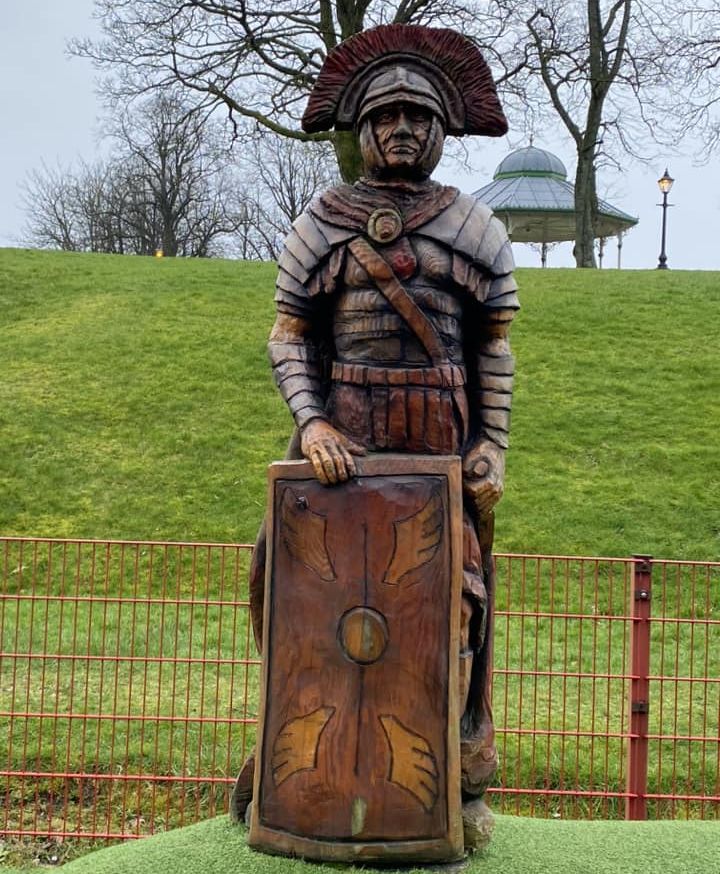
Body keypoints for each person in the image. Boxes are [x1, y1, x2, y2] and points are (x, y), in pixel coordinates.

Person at [239, 24, 518, 843]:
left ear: (442, 130)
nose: (403, 129)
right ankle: (287, 772)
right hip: (343, 445)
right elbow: (289, 333)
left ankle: (454, 783)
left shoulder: (473, 227)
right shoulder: (321, 221)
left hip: (440, 441)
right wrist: (314, 419)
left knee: (454, 606)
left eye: (419, 117)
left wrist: (491, 443)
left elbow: (493, 347)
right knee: (290, 596)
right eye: (387, 115)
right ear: (360, 129)